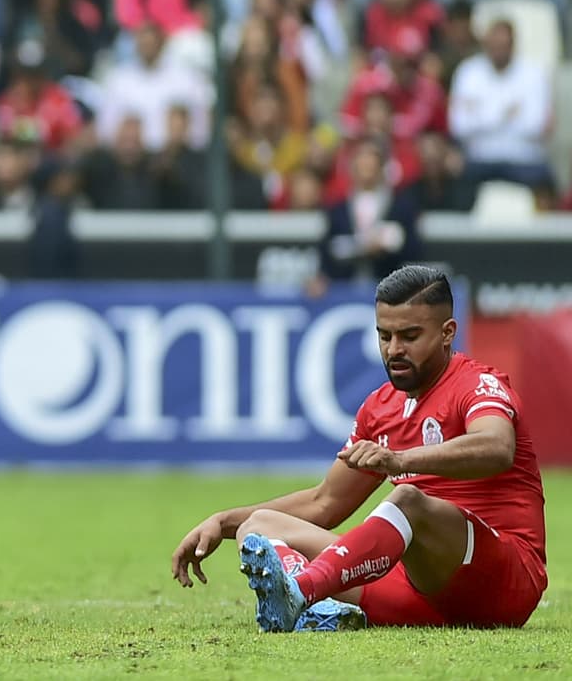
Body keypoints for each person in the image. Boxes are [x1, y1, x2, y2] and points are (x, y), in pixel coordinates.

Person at [171, 265, 546, 632]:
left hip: (502, 585)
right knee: (258, 526)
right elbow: (324, 503)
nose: (394, 349)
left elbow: (497, 446)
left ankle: (303, 591)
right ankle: (320, 605)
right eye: (385, 336)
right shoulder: (380, 408)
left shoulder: (476, 384)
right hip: (417, 596)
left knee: (407, 500)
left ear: (448, 332)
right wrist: (222, 522)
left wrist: (400, 460)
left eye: (410, 336)